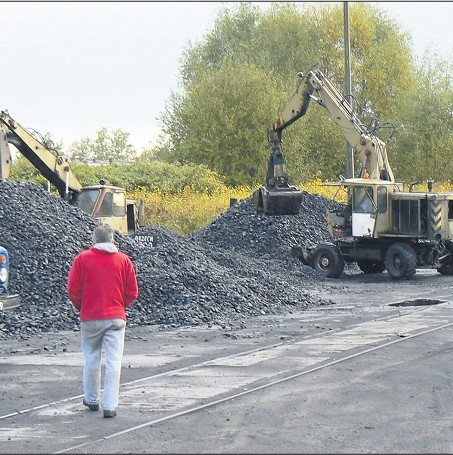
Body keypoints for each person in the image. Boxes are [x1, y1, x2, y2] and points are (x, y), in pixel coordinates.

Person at [67, 223, 139, 418]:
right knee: (114, 361)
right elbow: (133, 292)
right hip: (116, 318)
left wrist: (82, 306)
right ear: (113, 240)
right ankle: (110, 405)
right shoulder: (124, 261)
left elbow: (73, 290)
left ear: (94, 240)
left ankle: (91, 399)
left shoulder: (82, 259)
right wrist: (119, 306)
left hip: (90, 317)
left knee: (91, 358)